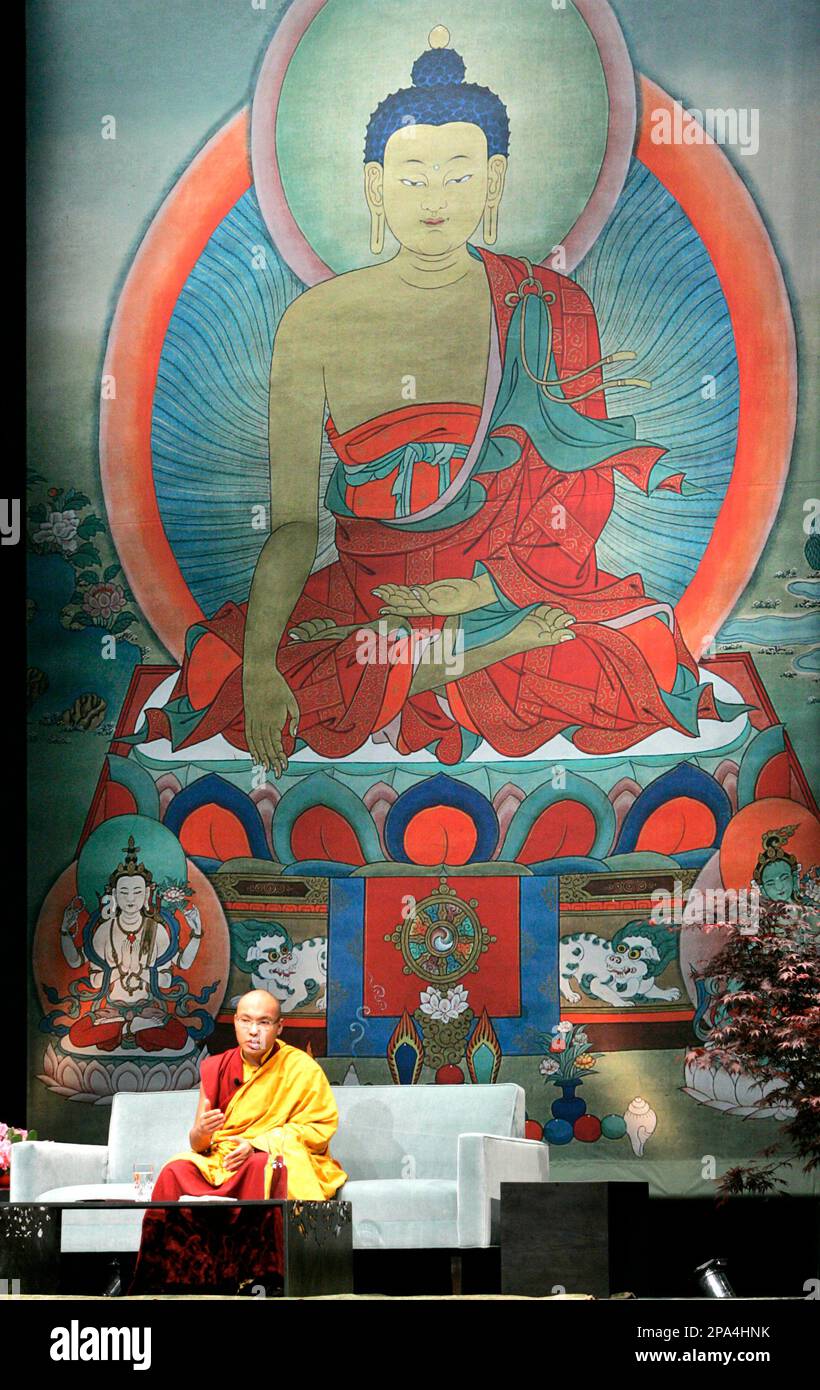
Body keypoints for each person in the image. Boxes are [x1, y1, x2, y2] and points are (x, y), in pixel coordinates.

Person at [134, 28, 742, 770]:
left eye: (459, 176)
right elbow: (294, 522)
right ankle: (441, 665)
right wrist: (262, 662)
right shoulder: (314, 322)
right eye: (412, 174)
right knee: (231, 672)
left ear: (492, 183)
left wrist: (481, 585)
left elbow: (579, 495)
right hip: (369, 599)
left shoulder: (549, 305)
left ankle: (455, 658)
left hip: (509, 589)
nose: (434, 199)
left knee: (634, 657)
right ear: (374, 184)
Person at [130, 990, 346, 1292]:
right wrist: (201, 1132)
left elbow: (318, 1128)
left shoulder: (301, 1069)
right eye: (246, 1021)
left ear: (280, 1026)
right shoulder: (218, 1067)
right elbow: (198, 1143)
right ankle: (169, 1281)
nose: (254, 1031)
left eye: (264, 1022)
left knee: (263, 1166)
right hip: (222, 1156)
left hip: (266, 1155)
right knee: (175, 1170)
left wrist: (258, 1143)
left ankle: (260, 1280)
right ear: (235, 1023)